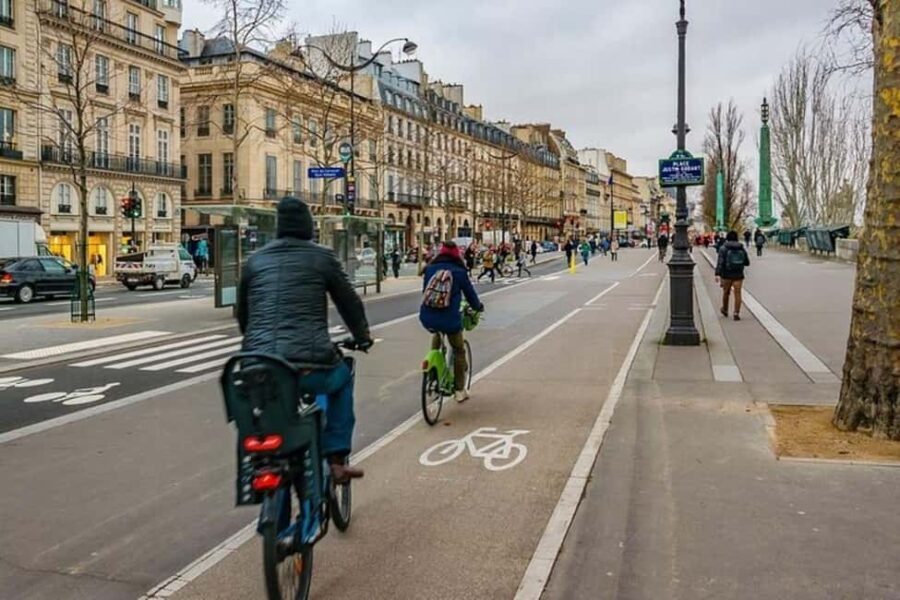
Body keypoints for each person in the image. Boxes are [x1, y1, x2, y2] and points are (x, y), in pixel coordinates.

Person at [236, 197, 373, 483]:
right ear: (308, 226)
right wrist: (362, 337)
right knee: (343, 377)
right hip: (308, 366)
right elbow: (349, 303)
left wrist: (258, 344)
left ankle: (266, 465)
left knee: (266, 403)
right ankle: (336, 458)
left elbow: (244, 316)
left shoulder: (254, 261)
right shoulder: (322, 257)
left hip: (257, 367)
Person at [419, 241, 485, 403]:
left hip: (427, 317)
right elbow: (470, 295)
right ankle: (459, 390)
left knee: (437, 333)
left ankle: (433, 371)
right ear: (457, 254)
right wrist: (478, 307)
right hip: (450, 319)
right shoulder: (459, 272)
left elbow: (425, 292)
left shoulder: (430, 269)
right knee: (458, 350)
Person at [715, 230, 751, 321]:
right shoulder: (741, 248)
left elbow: (720, 262)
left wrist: (717, 273)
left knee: (726, 293)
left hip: (726, 274)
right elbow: (747, 262)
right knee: (737, 293)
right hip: (738, 274)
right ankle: (736, 312)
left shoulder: (723, 248)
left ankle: (725, 309)